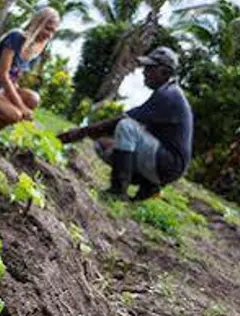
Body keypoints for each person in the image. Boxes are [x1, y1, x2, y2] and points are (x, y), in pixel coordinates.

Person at [58, 47, 193, 201]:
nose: (144, 72)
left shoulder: (168, 96)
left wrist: (79, 133)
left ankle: (118, 191)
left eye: (150, 68)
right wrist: (87, 133)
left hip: (169, 164)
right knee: (104, 145)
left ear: (165, 72)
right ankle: (149, 185)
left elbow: (121, 121)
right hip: (164, 162)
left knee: (126, 126)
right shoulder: (166, 92)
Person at [0, 7, 60, 135]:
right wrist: (21, 106)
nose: (49, 35)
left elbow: (14, 79)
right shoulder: (16, 37)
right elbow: (4, 75)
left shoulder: (32, 49)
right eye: (47, 28)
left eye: (53, 31)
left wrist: (22, 104)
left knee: (33, 98)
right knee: (16, 115)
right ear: (37, 23)